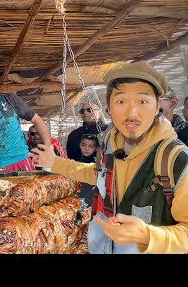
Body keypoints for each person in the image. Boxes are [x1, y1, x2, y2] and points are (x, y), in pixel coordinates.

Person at [30, 61, 188, 254]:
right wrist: (54, 162)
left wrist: (148, 236)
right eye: (121, 102)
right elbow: (98, 175)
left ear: (157, 107)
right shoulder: (112, 145)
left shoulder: (175, 160)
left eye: (142, 101)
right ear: (110, 109)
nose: (132, 113)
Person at [77, 133, 99, 207]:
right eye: (83, 145)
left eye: (91, 146)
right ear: (80, 145)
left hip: (90, 195)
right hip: (78, 194)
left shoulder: (96, 165)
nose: (86, 149)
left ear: (95, 148)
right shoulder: (77, 162)